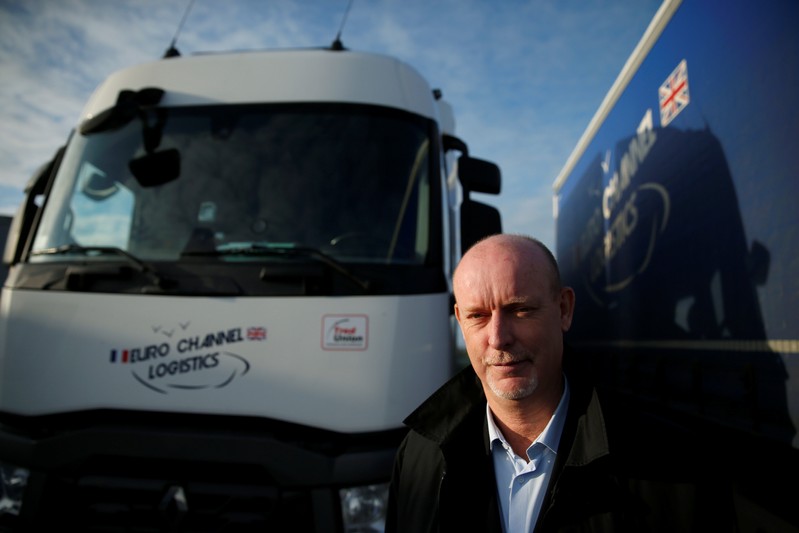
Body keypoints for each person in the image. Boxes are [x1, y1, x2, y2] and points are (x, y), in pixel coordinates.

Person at [386, 233, 735, 532]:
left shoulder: (675, 466)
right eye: (478, 316)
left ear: (564, 309)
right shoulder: (420, 456)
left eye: (519, 310)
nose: (498, 337)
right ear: (460, 321)